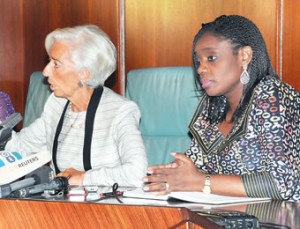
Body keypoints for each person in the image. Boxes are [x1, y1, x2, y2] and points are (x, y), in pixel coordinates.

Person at [143, 15, 300, 201]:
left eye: (211, 58)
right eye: (199, 61)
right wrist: (171, 174)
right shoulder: (213, 106)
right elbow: (196, 162)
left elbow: (282, 183)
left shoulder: (272, 96)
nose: (201, 68)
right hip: (230, 216)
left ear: (244, 55)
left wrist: (201, 182)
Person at [4, 25, 147, 187]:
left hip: (106, 209)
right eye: (49, 62)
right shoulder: (56, 104)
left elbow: (137, 173)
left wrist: (85, 178)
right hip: (59, 206)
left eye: (56, 64)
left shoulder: (120, 111)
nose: (45, 71)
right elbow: (20, 149)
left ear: (84, 74)